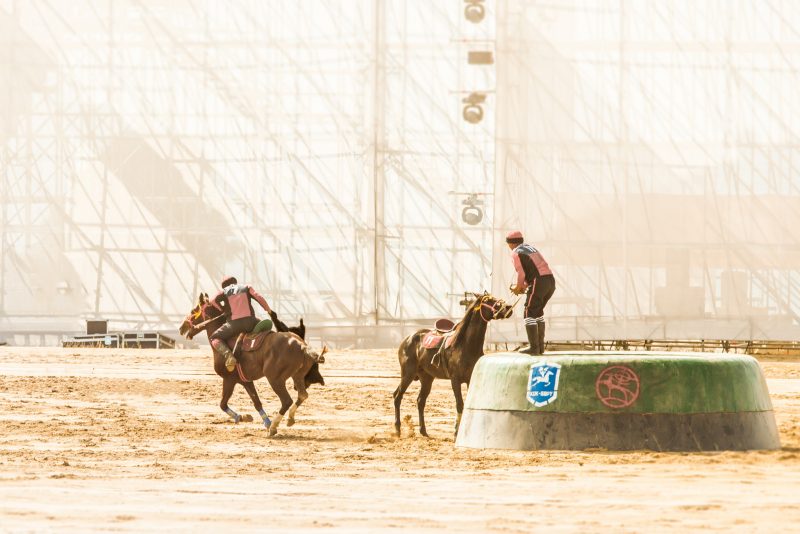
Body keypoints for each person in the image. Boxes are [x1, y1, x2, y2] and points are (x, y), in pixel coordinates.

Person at [506, 230, 555, 355]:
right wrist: (524, 286)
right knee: (537, 312)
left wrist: (518, 287)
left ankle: (533, 348)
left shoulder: (515, 252)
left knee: (529, 312)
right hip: (550, 281)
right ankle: (540, 348)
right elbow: (535, 269)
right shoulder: (530, 248)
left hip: (538, 281)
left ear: (510, 243)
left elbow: (521, 273)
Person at [209, 276, 272, 372]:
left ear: (224, 286)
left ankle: (229, 356)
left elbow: (212, 300)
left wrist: (222, 310)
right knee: (262, 325)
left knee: (214, 338)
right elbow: (259, 297)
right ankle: (255, 333)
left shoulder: (224, 291)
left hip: (233, 325)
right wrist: (268, 309)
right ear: (235, 282)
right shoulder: (247, 287)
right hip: (251, 322)